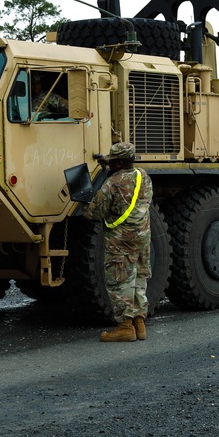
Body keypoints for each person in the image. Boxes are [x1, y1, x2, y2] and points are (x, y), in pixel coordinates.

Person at [82, 142, 153, 342]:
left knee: (120, 282)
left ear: (120, 163)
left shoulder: (112, 184)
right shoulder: (143, 176)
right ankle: (139, 324)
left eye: (113, 161)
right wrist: (110, 164)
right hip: (142, 238)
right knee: (139, 279)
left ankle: (124, 328)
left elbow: (94, 212)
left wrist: (82, 200)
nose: (110, 164)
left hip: (120, 241)